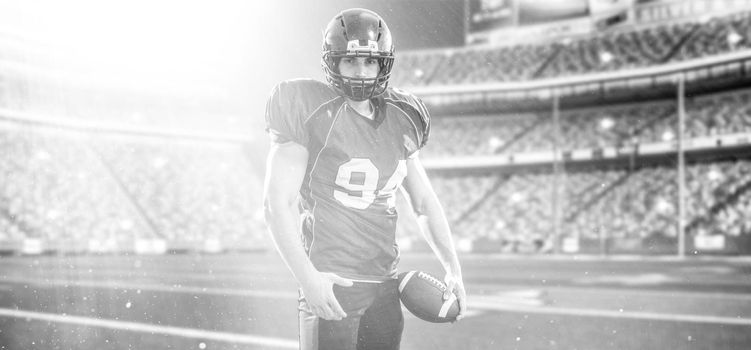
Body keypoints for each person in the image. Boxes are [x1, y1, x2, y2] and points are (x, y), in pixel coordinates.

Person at [262, 8, 466, 350]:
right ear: (333, 63)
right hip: (332, 280)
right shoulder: (307, 108)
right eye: (351, 62)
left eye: (369, 62)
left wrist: (454, 270)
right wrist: (307, 279)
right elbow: (276, 204)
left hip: (384, 285)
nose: (361, 72)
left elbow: (425, 203)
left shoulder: (404, 118)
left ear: (383, 65)